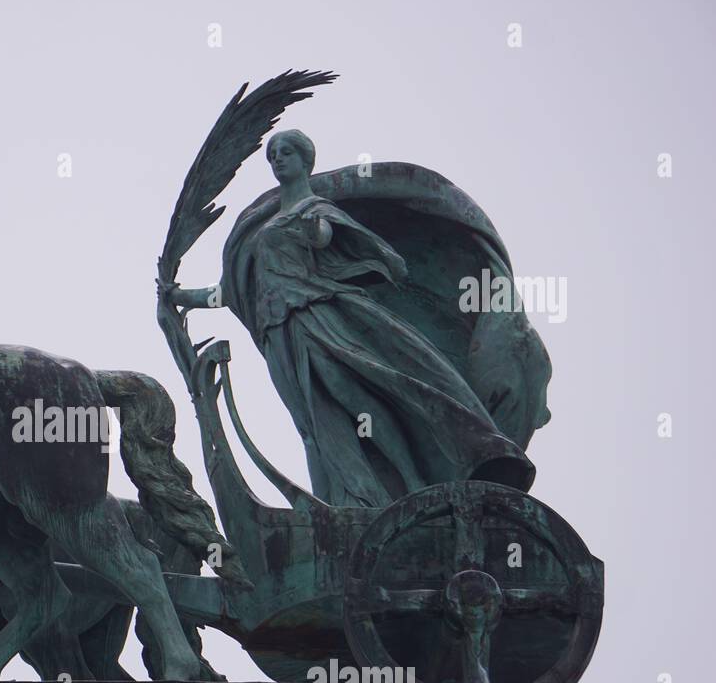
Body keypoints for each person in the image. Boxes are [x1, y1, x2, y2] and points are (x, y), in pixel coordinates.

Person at [165, 130, 534, 508]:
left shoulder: (316, 209)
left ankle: (412, 478)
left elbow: (325, 236)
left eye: (286, 152)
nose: (277, 159)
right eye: (272, 154)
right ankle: (332, 505)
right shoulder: (260, 228)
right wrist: (177, 296)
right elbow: (227, 293)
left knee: (358, 400)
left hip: (317, 319)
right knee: (309, 423)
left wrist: (315, 231)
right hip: (278, 332)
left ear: (305, 160)